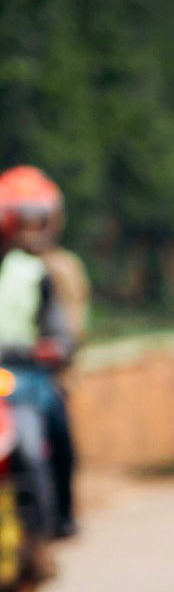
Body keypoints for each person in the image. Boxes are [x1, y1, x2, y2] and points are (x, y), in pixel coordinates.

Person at [0, 166, 79, 538]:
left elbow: (60, 327)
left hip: (25, 378)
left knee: (51, 434)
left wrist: (57, 347)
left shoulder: (39, 272)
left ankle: (56, 517)